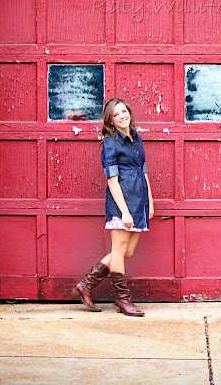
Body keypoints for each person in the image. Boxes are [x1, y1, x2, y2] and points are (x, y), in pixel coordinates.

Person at [72, 98, 154, 317]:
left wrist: (150, 201)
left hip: (138, 201)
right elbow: (112, 181)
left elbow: (143, 170)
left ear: (129, 112)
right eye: (116, 115)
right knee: (119, 250)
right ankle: (122, 299)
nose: (122, 116)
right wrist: (124, 211)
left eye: (123, 111)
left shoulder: (136, 138)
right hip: (121, 203)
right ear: (110, 121)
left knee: (128, 251)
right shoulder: (110, 143)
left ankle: (85, 285)